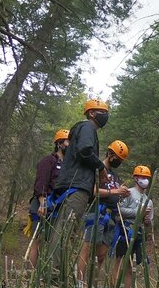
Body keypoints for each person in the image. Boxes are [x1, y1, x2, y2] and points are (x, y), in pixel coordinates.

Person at [48, 98, 112, 273]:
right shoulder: (87, 127)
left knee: (65, 228)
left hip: (75, 184)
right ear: (92, 113)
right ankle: (54, 273)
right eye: (103, 112)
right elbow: (85, 150)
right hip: (76, 185)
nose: (105, 116)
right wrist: (100, 167)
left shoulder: (85, 129)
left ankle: (56, 271)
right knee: (66, 229)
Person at [77, 140, 130, 281]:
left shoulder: (115, 175)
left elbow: (114, 192)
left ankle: (92, 282)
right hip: (96, 212)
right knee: (87, 248)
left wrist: (121, 193)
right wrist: (115, 191)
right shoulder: (98, 169)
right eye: (117, 159)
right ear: (109, 154)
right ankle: (80, 281)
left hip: (111, 216)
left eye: (121, 160)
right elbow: (93, 191)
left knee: (101, 254)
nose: (118, 162)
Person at [27, 128, 69, 267]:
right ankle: (31, 272)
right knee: (37, 240)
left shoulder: (68, 166)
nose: (70, 145)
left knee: (51, 241)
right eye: (67, 142)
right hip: (43, 204)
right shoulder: (48, 161)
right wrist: (42, 202)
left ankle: (44, 271)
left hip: (57, 207)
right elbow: (41, 183)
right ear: (59, 143)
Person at [110, 164, 155, 288]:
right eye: (142, 177)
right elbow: (120, 210)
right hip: (125, 230)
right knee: (119, 259)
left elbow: (149, 221)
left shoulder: (149, 201)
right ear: (135, 178)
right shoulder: (128, 193)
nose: (144, 180)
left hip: (139, 233)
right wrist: (138, 212)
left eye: (147, 177)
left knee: (131, 264)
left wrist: (147, 221)